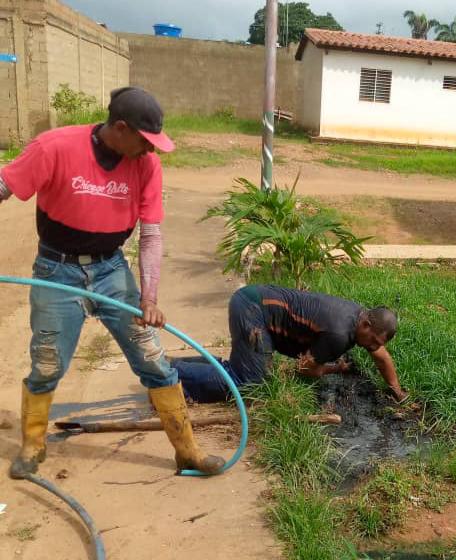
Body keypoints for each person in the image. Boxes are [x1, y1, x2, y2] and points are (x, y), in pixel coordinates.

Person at [0, 87, 225, 478]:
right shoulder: (54, 147)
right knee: (47, 365)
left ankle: (187, 451)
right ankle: (33, 445)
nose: (150, 151)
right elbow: (3, 186)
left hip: (111, 272)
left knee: (153, 359)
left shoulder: (146, 166)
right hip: (57, 273)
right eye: (145, 141)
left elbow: (151, 233)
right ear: (120, 129)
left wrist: (149, 297)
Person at [172, 285, 408, 404]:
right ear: (366, 325)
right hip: (254, 311)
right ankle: (172, 377)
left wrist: (397, 392)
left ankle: (179, 366)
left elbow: (382, 357)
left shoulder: (358, 319)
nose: (372, 347)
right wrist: (335, 369)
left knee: (243, 370)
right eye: (373, 341)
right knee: (250, 384)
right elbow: (304, 368)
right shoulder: (340, 334)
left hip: (253, 301)